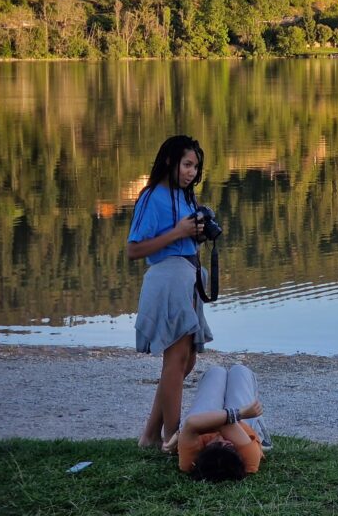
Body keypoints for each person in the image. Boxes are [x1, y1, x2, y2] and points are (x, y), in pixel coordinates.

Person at [128, 135, 213, 449]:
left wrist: (197, 234)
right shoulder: (152, 197)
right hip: (168, 279)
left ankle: (150, 436)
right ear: (169, 161)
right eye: (187, 164)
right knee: (175, 362)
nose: (191, 172)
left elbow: (181, 238)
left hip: (187, 278)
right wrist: (179, 232)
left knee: (186, 361)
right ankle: (171, 438)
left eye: (195, 167)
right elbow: (133, 250)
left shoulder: (185, 197)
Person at [165, 364, 272, 481]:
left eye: (218, 443)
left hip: (204, 423)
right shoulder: (248, 457)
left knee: (216, 372)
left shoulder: (189, 461)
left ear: (203, 452)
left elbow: (191, 423)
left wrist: (182, 433)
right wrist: (241, 413)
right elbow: (223, 426)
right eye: (230, 447)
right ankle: (262, 437)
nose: (224, 439)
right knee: (240, 371)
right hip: (243, 426)